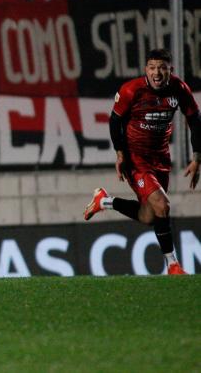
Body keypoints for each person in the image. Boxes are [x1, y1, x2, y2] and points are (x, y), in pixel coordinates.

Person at [84, 49, 200, 275]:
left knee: (149, 216)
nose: (157, 73)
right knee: (162, 205)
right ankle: (173, 265)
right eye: (152, 67)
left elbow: (195, 119)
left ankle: (104, 201)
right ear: (145, 69)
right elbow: (114, 121)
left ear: (170, 70)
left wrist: (197, 157)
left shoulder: (179, 88)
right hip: (136, 158)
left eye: (162, 68)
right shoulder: (131, 90)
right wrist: (120, 153)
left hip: (161, 158)